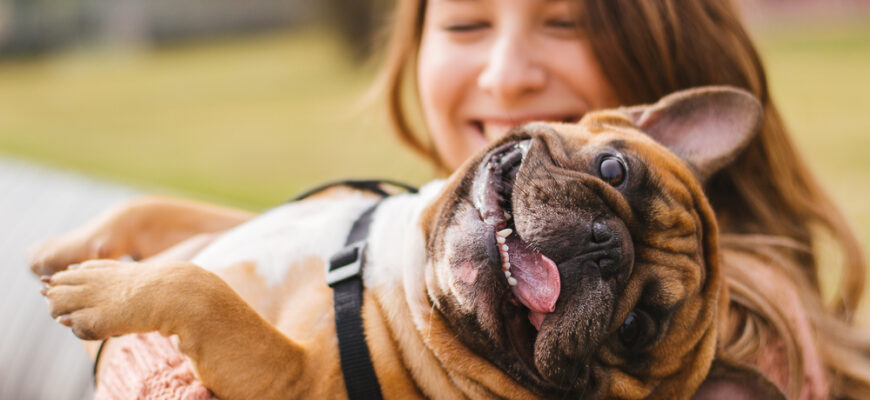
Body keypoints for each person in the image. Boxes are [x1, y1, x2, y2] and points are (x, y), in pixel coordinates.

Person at [33, 0, 869, 398]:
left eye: (567, 25)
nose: (506, 74)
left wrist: (152, 333)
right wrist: (152, 232)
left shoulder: (746, 337)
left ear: (666, 60)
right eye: (466, 26)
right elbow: (293, 246)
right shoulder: (435, 234)